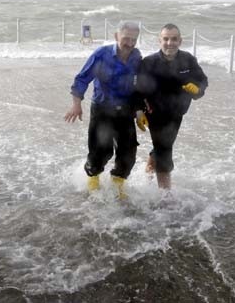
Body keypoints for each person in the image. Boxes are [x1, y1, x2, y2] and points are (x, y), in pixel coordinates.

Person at [64, 21, 141, 198]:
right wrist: (76, 104)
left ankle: (118, 184)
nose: (130, 43)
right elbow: (82, 79)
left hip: (125, 111)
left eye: (134, 39)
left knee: (128, 152)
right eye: (126, 39)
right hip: (102, 109)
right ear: (116, 37)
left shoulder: (136, 56)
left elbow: (139, 86)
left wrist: (139, 111)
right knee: (101, 150)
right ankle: (93, 179)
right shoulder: (102, 54)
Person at [135, 23, 208, 189]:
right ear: (159, 41)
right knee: (165, 149)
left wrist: (197, 90)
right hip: (154, 113)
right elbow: (138, 90)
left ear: (180, 41)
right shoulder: (149, 62)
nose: (170, 43)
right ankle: (165, 194)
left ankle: (151, 164)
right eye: (166, 39)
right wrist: (139, 112)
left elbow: (203, 81)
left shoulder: (188, 60)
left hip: (177, 113)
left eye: (174, 39)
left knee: (164, 144)